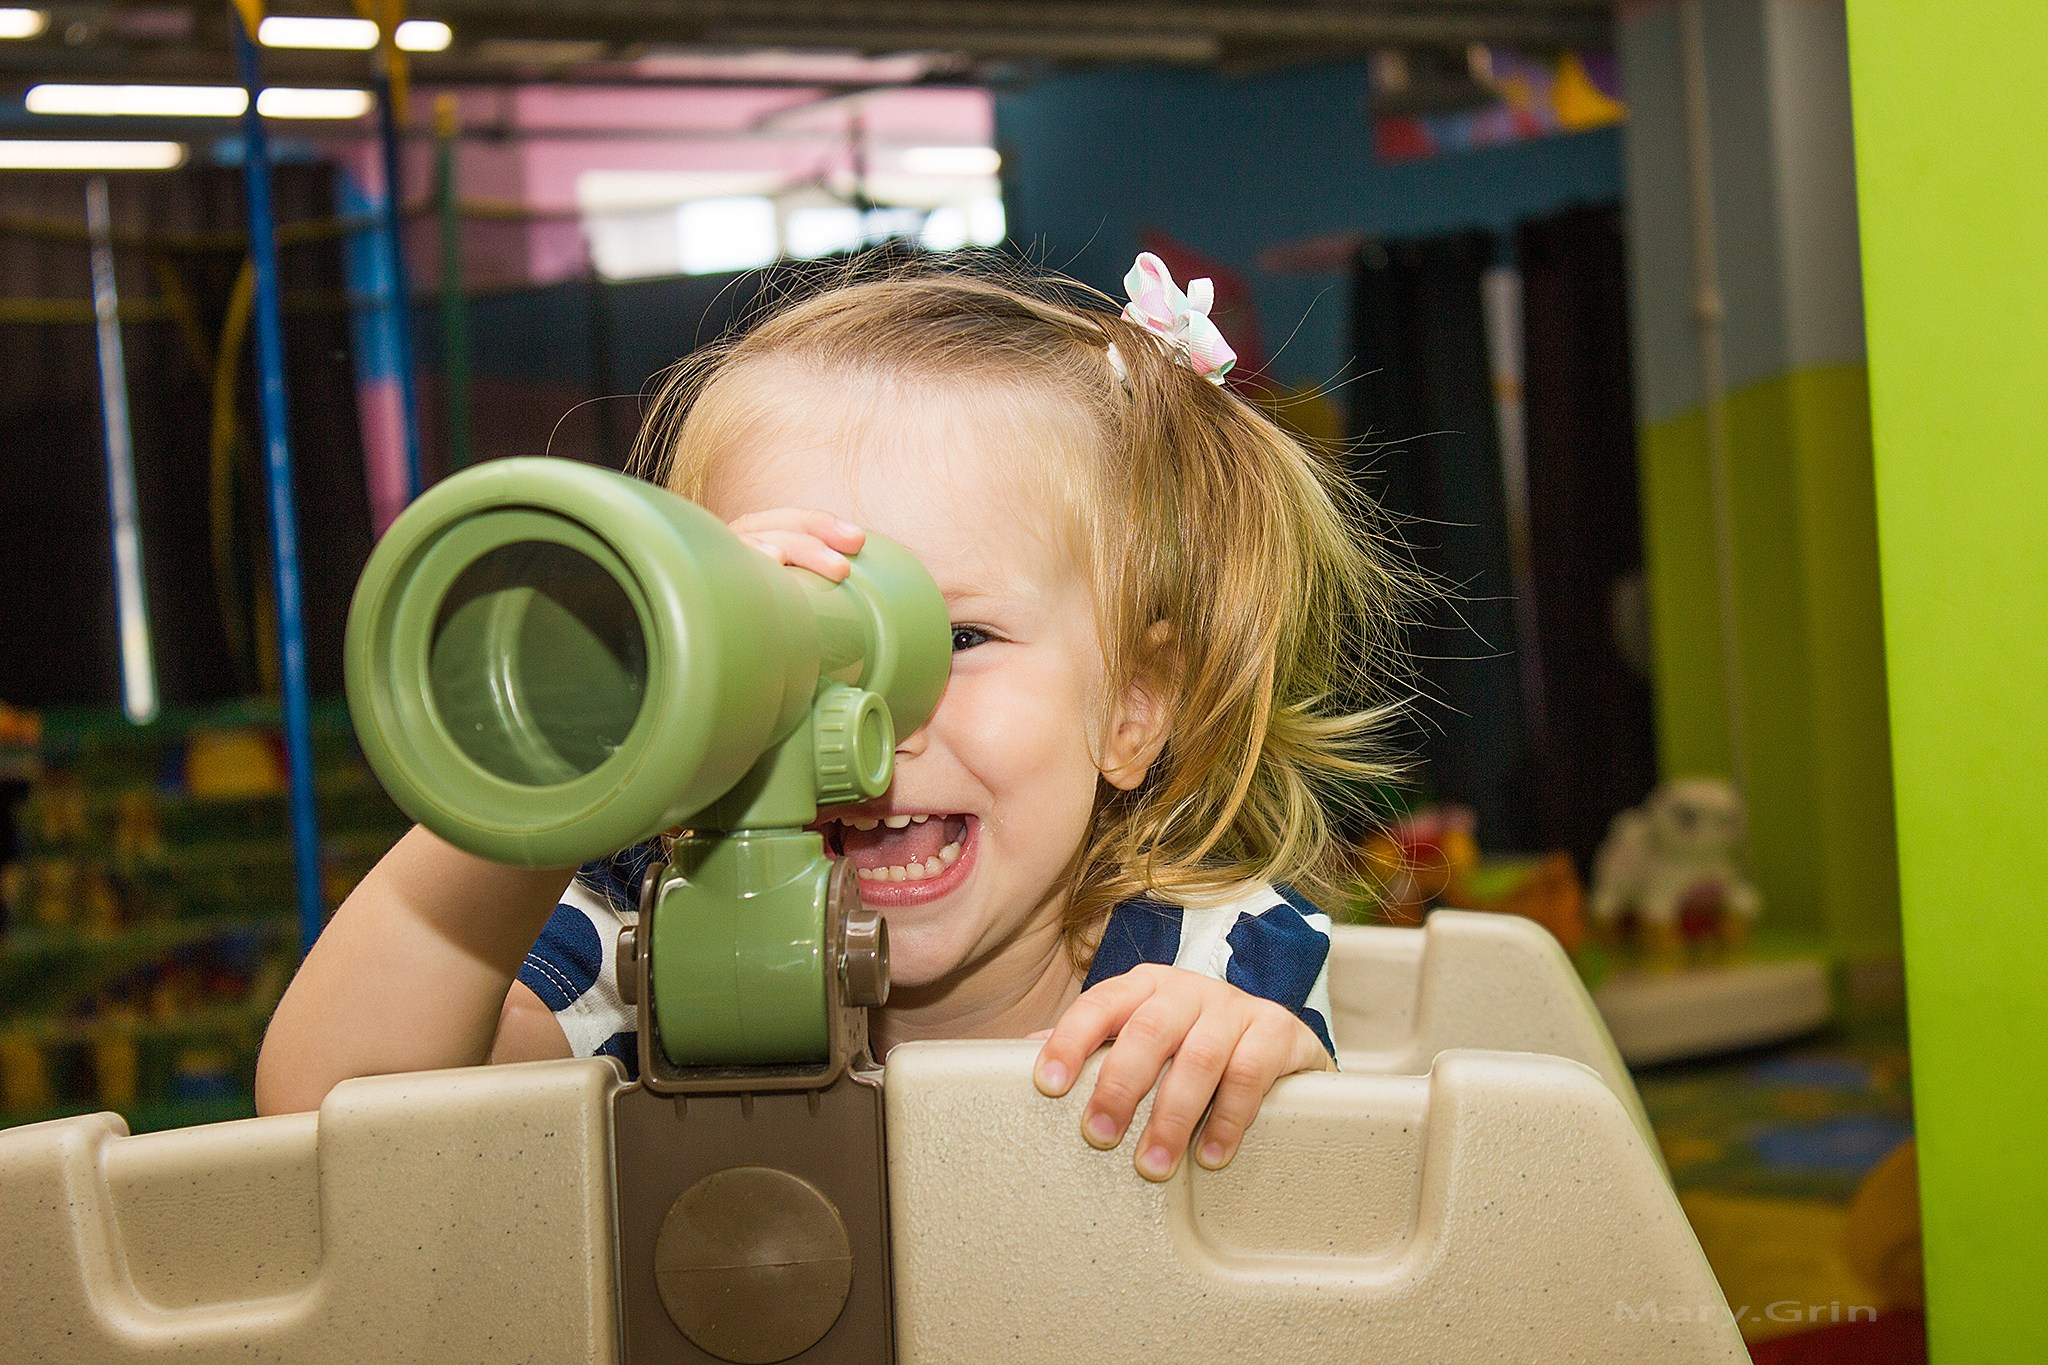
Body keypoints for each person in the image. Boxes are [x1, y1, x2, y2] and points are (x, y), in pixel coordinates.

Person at [255, 251, 1408, 1184]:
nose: (864, 712)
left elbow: (1325, 1248)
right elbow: (341, 1116)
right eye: (779, 641)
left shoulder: (1205, 957)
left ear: (1132, 708)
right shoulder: (644, 935)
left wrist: (1265, 1070)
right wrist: (560, 773)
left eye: (955, 641)